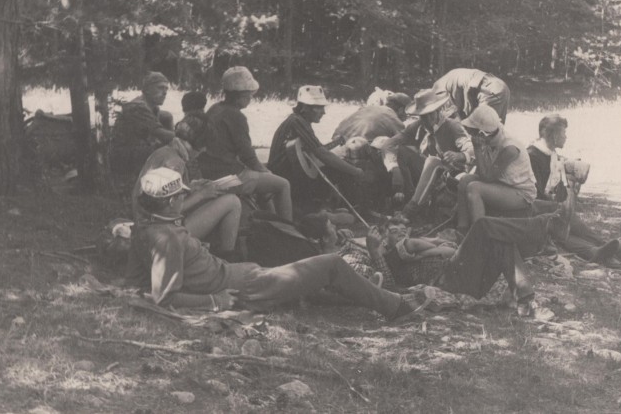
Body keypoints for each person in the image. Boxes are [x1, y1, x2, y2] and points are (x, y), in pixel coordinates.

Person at [126, 167, 436, 322]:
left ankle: (381, 293)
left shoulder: (151, 226)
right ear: (166, 202)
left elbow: (144, 279)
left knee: (310, 281)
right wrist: (213, 301)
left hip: (245, 277)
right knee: (329, 264)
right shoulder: (164, 237)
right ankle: (395, 307)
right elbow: (164, 297)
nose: (183, 196)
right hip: (246, 287)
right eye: (178, 195)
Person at [364, 209, 569, 314]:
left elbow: (434, 248)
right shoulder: (389, 256)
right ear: (383, 239)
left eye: (401, 228)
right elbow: (388, 287)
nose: (399, 231)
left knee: (502, 242)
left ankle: (525, 301)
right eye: (392, 231)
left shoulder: (409, 247)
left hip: (463, 278)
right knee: (482, 225)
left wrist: (437, 244)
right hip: (447, 280)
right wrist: (374, 252)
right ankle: (542, 227)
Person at [131, 112, 241, 258]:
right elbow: (167, 211)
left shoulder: (163, 152)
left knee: (217, 201)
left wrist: (192, 187)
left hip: (145, 225)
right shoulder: (175, 163)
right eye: (204, 146)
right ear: (196, 144)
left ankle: (216, 252)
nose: (204, 151)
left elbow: (162, 197)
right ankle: (227, 257)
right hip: (160, 230)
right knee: (232, 202)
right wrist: (201, 195)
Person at [527, 113, 621, 263]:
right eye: (563, 132)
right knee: (563, 225)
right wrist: (556, 204)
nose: (565, 137)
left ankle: (601, 249)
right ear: (553, 135)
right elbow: (534, 193)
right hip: (535, 212)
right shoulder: (533, 155)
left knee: (568, 223)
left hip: (548, 210)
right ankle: (598, 250)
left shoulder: (550, 154)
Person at [200, 66, 293, 221]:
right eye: (249, 94)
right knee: (283, 184)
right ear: (240, 95)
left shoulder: (215, 108)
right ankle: (288, 229)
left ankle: (270, 221)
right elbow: (247, 155)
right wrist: (266, 172)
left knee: (264, 180)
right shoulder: (236, 116)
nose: (251, 97)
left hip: (209, 170)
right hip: (228, 176)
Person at [268, 85, 367, 215]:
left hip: (290, 175)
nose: (323, 112)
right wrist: (355, 171)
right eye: (319, 107)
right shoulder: (297, 122)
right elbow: (322, 153)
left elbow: (314, 151)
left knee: (335, 167)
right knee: (341, 169)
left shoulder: (298, 121)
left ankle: (325, 209)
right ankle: (355, 211)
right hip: (288, 178)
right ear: (305, 108)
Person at [381, 88, 471, 218]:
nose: (428, 120)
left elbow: (470, 148)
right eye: (424, 116)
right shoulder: (417, 126)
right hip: (426, 174)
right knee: (402, 152)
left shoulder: (452, 126)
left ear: (438, 110)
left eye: (431, 114)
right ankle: (408, 199)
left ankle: (410, 211)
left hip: (451, 174)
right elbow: (389, 144)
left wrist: (459, 155)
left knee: (432, 161)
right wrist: (394, 169)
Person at [455, 104, 537, 234]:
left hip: (520, 193)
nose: (470, 133)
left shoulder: (509, 148)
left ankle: (479, 236)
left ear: (482, 133)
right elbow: (482, 172)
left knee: (474, 188)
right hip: (502, 183)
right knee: (465, 181)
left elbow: (486, 177)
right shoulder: (490, 138)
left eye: (473, 131)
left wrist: (477, 149)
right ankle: (462, 229)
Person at [110, 72, 175, 179]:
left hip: (136, 151)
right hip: (124, 155)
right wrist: (187, 139)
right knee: (170, 151)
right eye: (160, 88)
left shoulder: (153, 108)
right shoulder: (137, 107)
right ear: (148, 90)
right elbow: (161, 134)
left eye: (166, 89)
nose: (165, 93)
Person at [433, 68, 510, 124]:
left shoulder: (439, 90)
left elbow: (455, 113)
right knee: (496, 130)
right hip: (499, 85)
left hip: (488, 89)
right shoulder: (447, 80)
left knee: (483, 132)